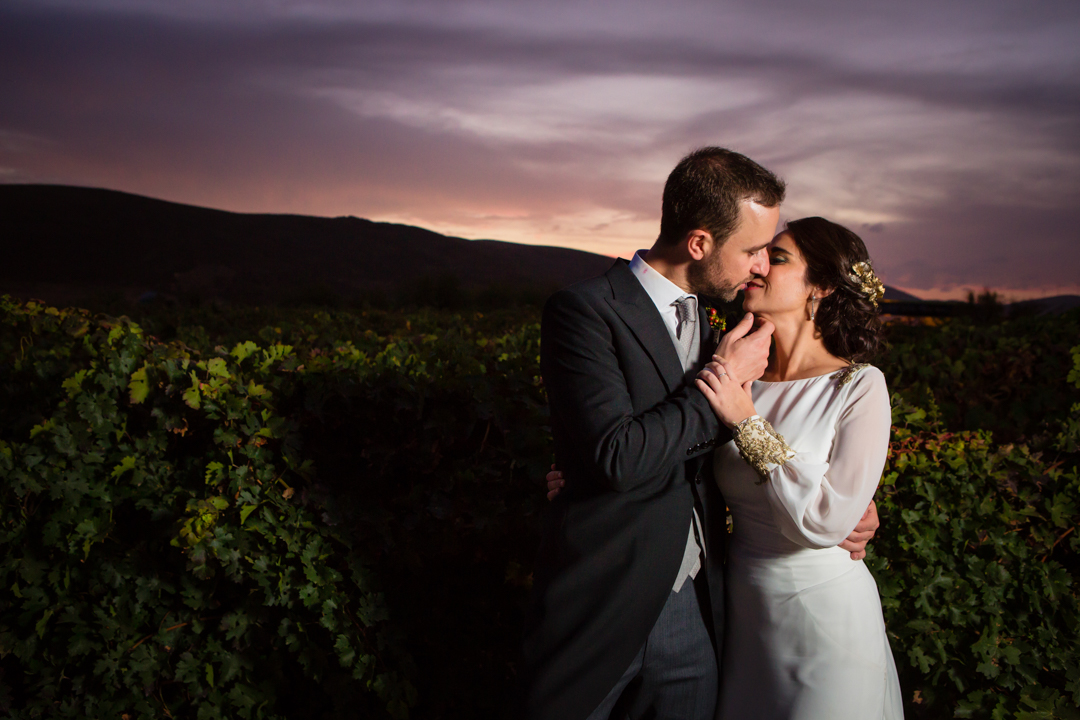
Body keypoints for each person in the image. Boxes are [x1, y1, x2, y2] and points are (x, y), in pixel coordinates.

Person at [521, 147, 879, 720]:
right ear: (699, 244)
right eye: (752, 250)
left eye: (769, 253)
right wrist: (721, 381)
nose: (760, 265)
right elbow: (616, 454)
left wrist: (851, 499)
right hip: (606, 595)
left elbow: (776, 433)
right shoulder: (585, 309)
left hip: (702, 605)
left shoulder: (725, 328)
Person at [697, 217, 902, 719]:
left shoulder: (858, 386)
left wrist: (747, 422)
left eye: (779, 257)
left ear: (823, 286)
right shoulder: (735, 374)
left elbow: (828, 522)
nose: (759, 265)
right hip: (742, 617)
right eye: (761, 253)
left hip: (824, 621)